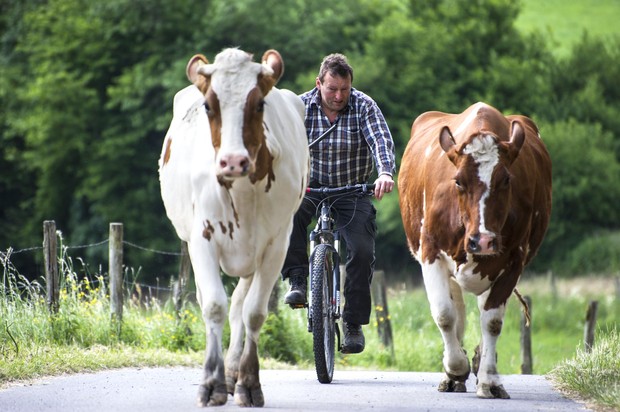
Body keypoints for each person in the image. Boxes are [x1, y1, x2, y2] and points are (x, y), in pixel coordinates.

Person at [281, 53, 395, 354]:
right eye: (332, 89)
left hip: (351, 190)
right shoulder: (301, 106)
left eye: (344, 89)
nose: (338, 96)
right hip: (309, 186)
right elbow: (281, 145)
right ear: (319, 83)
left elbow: (380, 140)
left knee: (361, 251)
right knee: (288, 215)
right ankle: (297, 281)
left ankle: (353, 324)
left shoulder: (364, 106)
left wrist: (384, 171)